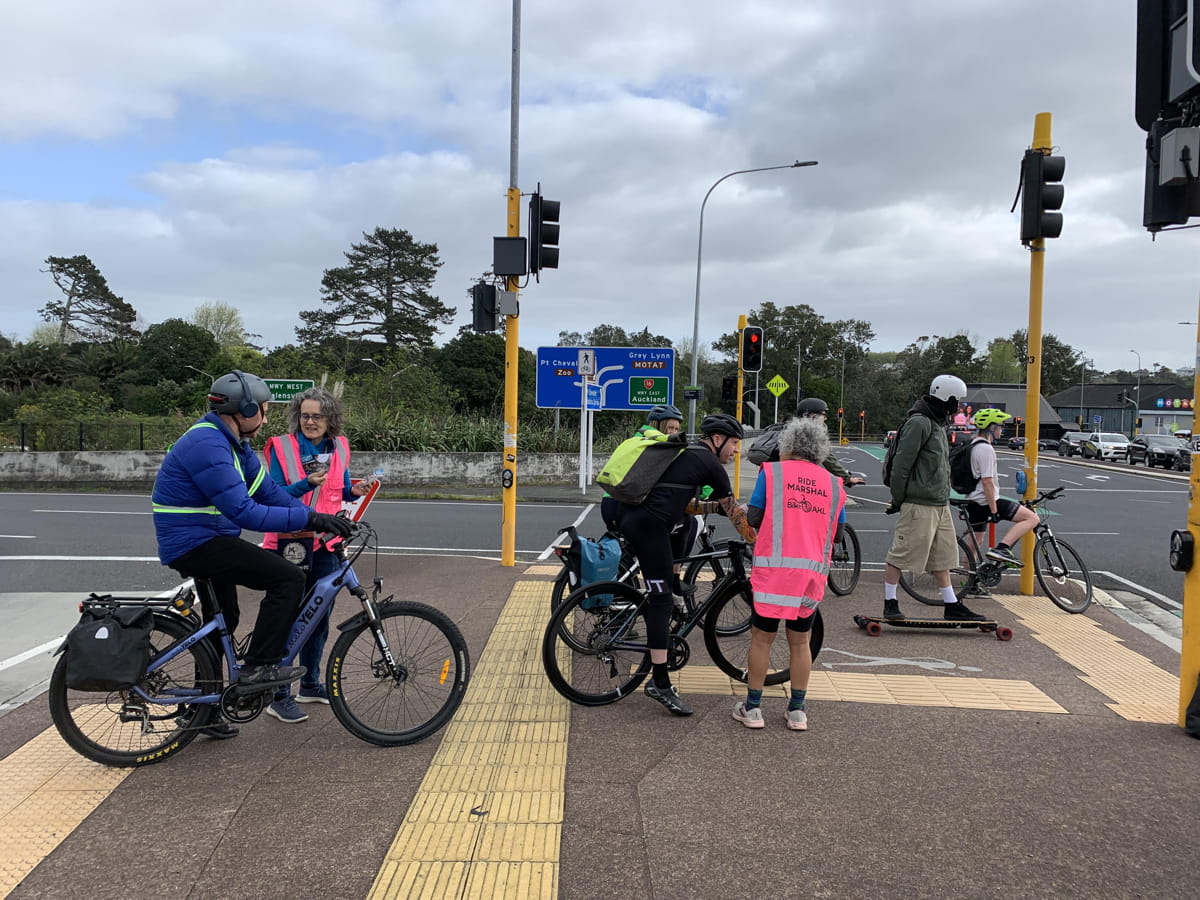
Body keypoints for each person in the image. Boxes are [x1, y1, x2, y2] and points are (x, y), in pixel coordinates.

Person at [151, 371, 354, 739]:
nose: (264, 416)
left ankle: (203, 711)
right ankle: (260, 667)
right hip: (196, 542)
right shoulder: (208, 444)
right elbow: (247, 512)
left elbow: (268, 493)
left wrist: (319, 519)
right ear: (243, 410)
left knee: (223, 618)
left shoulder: (232, 443)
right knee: (287, 578)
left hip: (207, 538)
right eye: (261, 409)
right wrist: (310, 516)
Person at [615, 413, 756, 716]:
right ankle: (660, 683)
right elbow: (737, 517)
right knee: (661, 600)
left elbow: (681, 502)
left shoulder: (687, 454)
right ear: (717, 440)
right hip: (648, 527)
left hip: (634, 519)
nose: (735, 451)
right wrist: (759, 538)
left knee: (663, 587)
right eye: (733, 444)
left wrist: (710, 507)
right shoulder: (709, 463)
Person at [260, 386, 378, 724]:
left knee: (318, 617)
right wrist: (305, 484)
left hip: (326, 540)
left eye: (317, 416)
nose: (310, 422)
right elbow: (273, 495)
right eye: (305, 415)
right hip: (290, 541)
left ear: (331, 419)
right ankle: (278, 694)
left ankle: (310, 683)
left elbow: (338, 490)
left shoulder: (339, 445)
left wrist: (354, 490)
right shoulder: (281, 447)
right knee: (290, 618)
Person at [735, 417, 844, 731]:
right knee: (800, 643)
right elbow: (837, 535)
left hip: (774, 573)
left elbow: (754, 517)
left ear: (788, 446)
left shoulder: (773, 473)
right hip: (810, 575)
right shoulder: (833, 483)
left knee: (761, 640)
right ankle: (797, 711)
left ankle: (753, 708)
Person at [881, 374, 985, 623]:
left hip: (939, 503)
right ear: (946, 398)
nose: (958, 406)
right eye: (956, 400)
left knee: (943, 556)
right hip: (919, 502)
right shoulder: (920, 423)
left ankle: (951, 604)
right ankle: (890, 602)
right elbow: (901, 466)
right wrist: (898, 499)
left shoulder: (937, 423)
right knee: (902, 553)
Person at [600, 404, 698, 600]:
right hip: (625, 504)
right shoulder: (660, 445)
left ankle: (619, 607)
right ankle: (674, 577)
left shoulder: (634, 441)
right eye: (670, 428)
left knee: (628, 554)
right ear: (657, 425)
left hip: (609, 503)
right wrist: (704, 490)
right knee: (688, 522)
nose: (674, 432)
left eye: (677, 429)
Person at [963, 408, 1039, 573]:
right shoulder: (986, 449)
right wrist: (994, 509)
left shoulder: (973, 444)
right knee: (1032, 518)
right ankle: (1002, 548)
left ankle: (969, 582)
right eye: (1000, 426)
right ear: (991, 427)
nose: (1002, 429)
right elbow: (987, 481)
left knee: (975, 543)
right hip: (985, 500)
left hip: (972, 500)